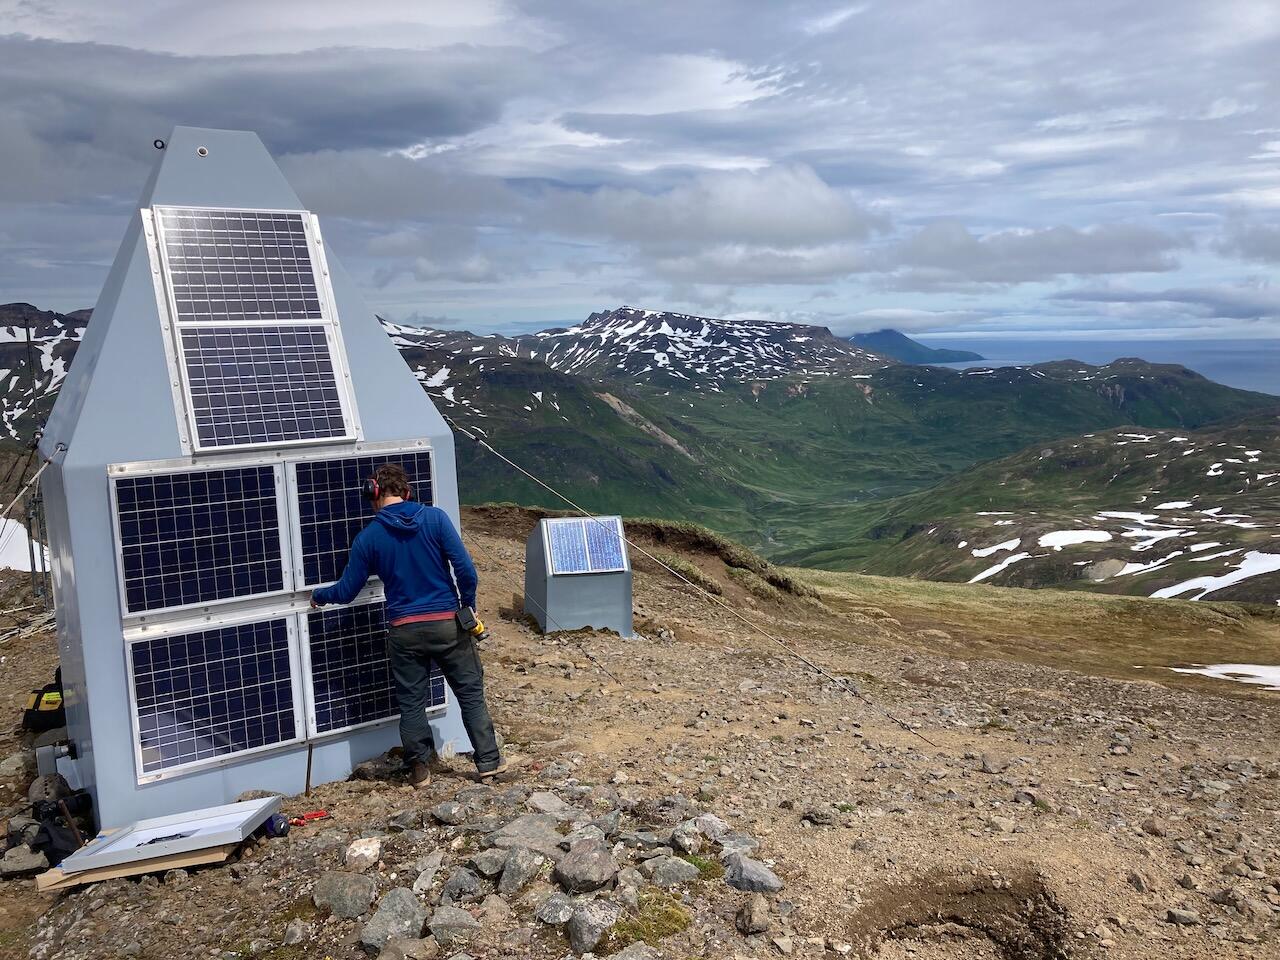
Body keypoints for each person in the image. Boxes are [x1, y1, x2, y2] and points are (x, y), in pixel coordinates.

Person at [310, 462, 505, 788]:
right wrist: (466, 605)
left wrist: (319, 595)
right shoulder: (436, 519)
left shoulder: (368, 538)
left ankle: (420, 771)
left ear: (373, 493)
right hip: (447, 623)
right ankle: (488, 764)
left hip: (404, 630)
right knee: (470, 694)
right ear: (408, 491)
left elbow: (345, 591)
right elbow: (467, 571)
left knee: (412, 702)